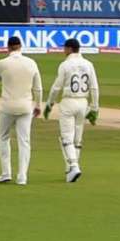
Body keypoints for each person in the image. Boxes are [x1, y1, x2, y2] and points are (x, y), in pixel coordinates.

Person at [43, 38, 100, 183]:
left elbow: (57, 87)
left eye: (64, 48)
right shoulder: (89, 64)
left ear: (69, 49)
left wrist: (49, 104)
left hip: (68, 101)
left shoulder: (65, 65)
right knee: (77, 139)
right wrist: (94, 108)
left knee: (66, 138)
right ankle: (71, 170)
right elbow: (94, 87)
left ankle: (74, 166)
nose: (63, 51)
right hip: (83, 102)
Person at [0, 35, 42, 186]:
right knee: (24, 141)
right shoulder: (31, 63)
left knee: (3, 138)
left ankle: (6, 173)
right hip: (26, 106)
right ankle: (22, 176)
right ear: (20, 46)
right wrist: (38, 104)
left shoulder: (3, 63)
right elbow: (37, 87)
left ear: (8, 47)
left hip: (7, 106)